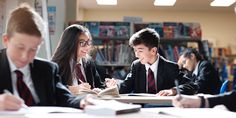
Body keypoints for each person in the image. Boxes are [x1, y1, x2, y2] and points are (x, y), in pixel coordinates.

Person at [0, 3, 87, 110]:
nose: (24, 57)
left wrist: (83, 101)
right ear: (6, 40)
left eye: (33, 49)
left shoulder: (48, 69)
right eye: (20, 47)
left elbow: (66, 98)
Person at [107, 28, 183, 94]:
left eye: (140, 51)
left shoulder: (171, 67)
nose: (136, 55)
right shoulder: (136, 66)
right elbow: (126, 85)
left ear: (153, 51)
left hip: (162, 107)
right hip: (141, 107)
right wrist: (115, 86)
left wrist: (173, 90)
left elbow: (191, 85)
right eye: (135, 51)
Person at [52, 24, 105, 95]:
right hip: (69, 104)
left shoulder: (89, 62)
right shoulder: (56, 65)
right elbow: (52, 89)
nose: (87, 47)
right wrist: (73, 89)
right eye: (82, 43)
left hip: (88, 103)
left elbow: (99, 85)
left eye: (88, 42)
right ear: (70, 43)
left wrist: (105, 87)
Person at [158, 48, 222, 96]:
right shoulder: (194, 73)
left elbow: (197, 86)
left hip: (211, 101)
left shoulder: (205, 66)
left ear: (192, 56)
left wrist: (176, 90)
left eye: (184, 62)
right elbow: (191, 85)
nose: (184, 66)